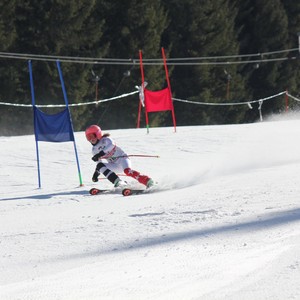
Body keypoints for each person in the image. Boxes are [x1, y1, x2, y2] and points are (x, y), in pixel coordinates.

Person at [85, 125, 153, 188]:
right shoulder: (94, 150)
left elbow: (111, 145)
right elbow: (99, 164)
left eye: (92, 136)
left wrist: (100, 154)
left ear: (98, 134)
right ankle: (118, 182)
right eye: (88, 137)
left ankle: (147, 180)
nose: (91, 139)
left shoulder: (106, 139)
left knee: (127, 171)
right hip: (114, 165)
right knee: (99, 166)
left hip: (123, 159)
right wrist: (96, 173)